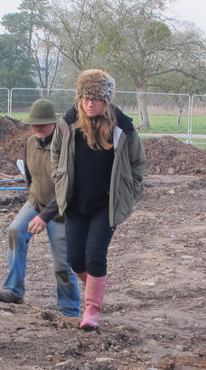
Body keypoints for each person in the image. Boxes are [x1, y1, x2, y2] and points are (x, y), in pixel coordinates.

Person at [50, 69, 145, 330]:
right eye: (84, 97)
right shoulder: (67, 123)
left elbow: (138, 162)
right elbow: (56, 154)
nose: (89, 103)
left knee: (94, 255)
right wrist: (59, 180)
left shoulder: (122, 127)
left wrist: (131, 191)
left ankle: (92, 309)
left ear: (106, 100)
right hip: (76, 202)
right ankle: (96, 282)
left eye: (95, 98)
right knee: (76, 260)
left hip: (107, 203)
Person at [0, 99, 81, 316]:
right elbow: (30, 176)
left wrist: (45, 216)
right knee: (15, 230)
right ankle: (13, 289)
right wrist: (32, 199)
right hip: (36, 202)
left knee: (62, 263)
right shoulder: (31, 142)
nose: (37, 128)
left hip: (61, 210)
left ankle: (69, 309)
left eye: (42, 123)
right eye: (34, 124)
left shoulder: (65, 145)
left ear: (54, 123)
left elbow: (68, 187)